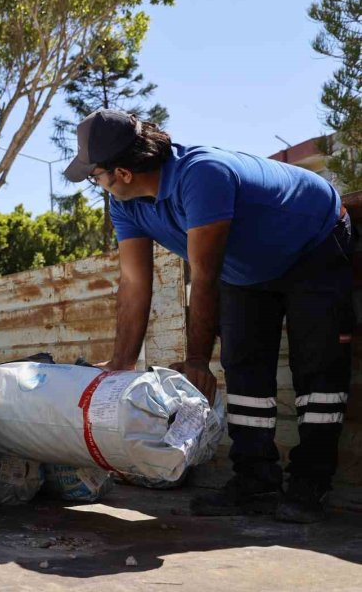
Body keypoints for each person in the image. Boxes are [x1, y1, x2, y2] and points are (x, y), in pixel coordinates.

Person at [64, 109, 353, 523]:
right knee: (244, 369)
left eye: (96, 174)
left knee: (318, 367)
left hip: (313, 241)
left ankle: (312, 482)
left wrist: (196, 358)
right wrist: (122, 364)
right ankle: (256, 481)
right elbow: (133, 283)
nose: (96, 182)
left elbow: (203, 277)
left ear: (123, 172)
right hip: (246, 267)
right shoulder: (124, 206)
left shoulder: (202, 175)